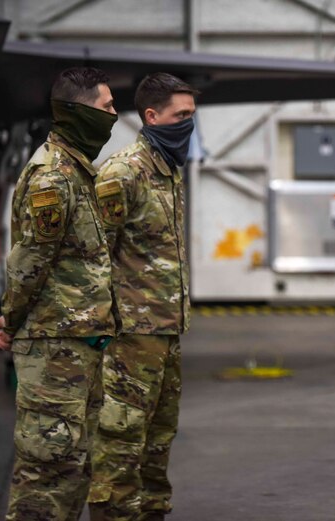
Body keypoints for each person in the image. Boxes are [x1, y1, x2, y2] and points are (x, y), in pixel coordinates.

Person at [0, 67, 118, 520]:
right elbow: (29, 263)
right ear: (78, 112)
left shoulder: (77, 171)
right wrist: (12, 319)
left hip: (74, 346)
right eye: (106, 106)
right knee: (47, 473)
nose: (115, 115)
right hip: (53, 349)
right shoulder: (53, 178)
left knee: (72, 468)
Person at [88, 72, 197, 521]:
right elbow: (92, 254)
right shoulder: (122, 173)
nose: (189, 124)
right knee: (120, 444)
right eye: (182, 115)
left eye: (192, 115)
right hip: (130, 336)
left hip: (166, 332)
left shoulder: (168, 170)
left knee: (157, 443)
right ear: (152, 116)